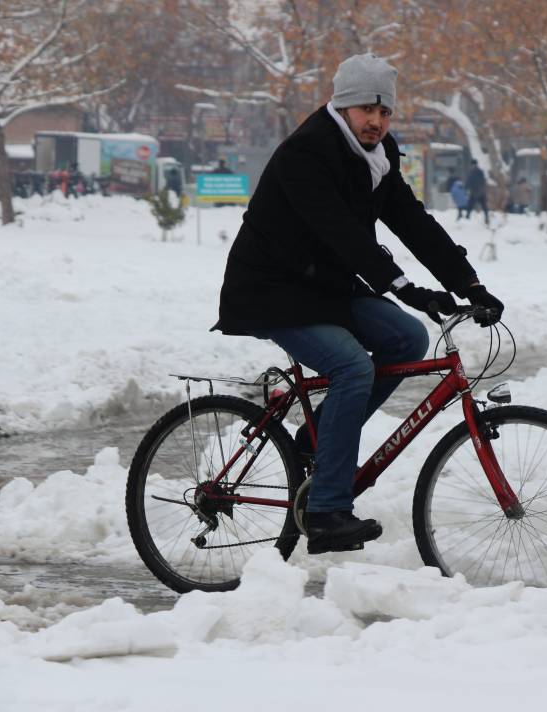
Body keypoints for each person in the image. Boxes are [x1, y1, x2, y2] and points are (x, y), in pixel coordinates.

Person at [212, 53, 504, 555]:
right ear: (343, 106)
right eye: (366, 109)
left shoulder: (378, 155)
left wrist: (468, 284)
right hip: (272, 290)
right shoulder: (309, 152)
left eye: (385, 111)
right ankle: (326, 510)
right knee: (351, 366)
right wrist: (402, 286)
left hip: (325, 286)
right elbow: (342, 234)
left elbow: (412, 222)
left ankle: (318, 438)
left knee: (407, 338)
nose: (376, 121)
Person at [465, 159, 488, 224]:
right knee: (483, 205)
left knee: (470, 204)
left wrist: (466, 187)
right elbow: (483, 181)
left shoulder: (472, 172)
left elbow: (469, 181)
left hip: (475, 191)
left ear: (472, 165)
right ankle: (486, 217)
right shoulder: (480, 171)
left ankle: (467, 217)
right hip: (480, 191)